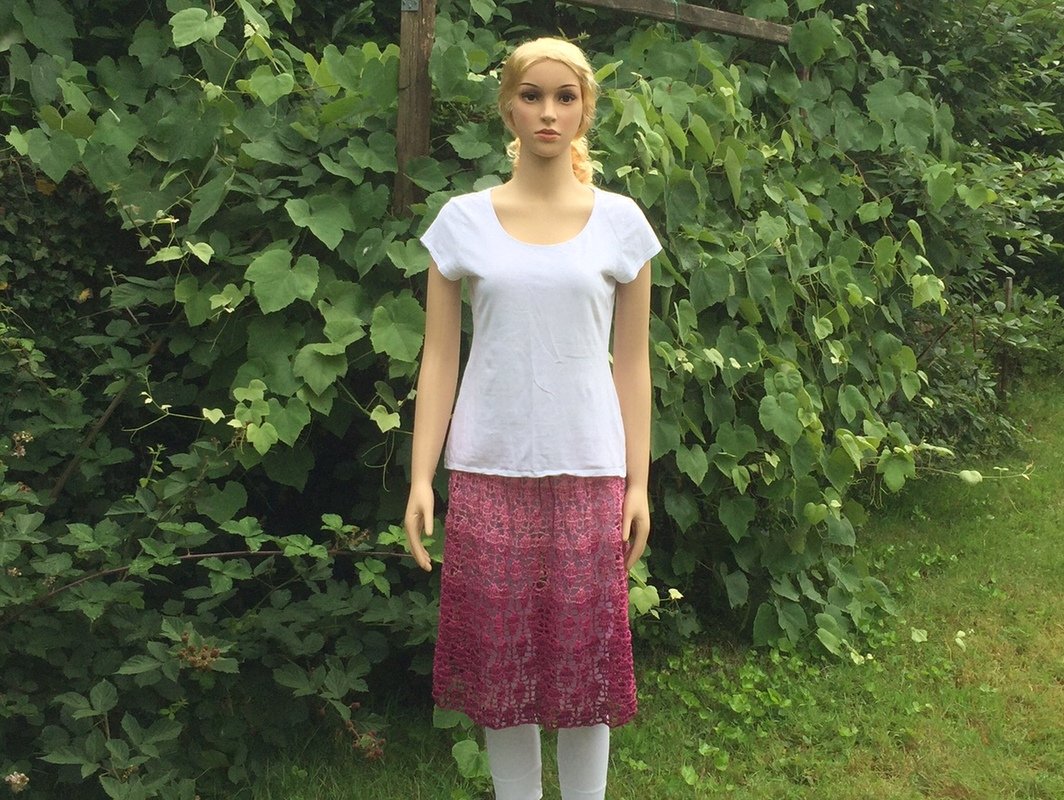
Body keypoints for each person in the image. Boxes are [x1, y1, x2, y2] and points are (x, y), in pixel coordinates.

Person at [403, 36, 661, 800]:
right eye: (532, 95)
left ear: (584, 111)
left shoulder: (621, 224)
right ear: (507, 108)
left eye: (565, 96)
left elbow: (633, 363)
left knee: (586, 672)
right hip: (490, 467)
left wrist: (638, 483)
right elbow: (439, 357)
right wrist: (420, 476)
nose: (548, 111)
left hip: (589, 470)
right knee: (501, 672)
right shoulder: (461, 223)